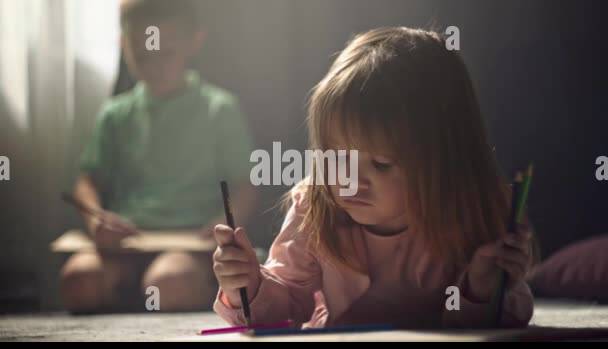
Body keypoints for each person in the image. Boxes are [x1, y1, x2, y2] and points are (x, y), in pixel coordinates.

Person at [212, 27, 534, 329]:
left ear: (444, 161)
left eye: (380, 164)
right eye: (337, 158)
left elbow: (503, 323)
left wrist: (483, 287)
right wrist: (249, 285)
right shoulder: (314, 204)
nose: (351, 180)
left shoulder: (472, 211)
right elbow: (289, 303)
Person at [61, 0, 256, 313]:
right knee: (78, 281)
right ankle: (130, 292)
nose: (154, 65)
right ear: (124, 46)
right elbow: (87, 181)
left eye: (165, 53)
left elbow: (244, 186)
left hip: (189, 244)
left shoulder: (218, 109)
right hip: (127, 243)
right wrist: (96, 219)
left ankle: (155, 293)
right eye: (143, 54)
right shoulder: (115, 114)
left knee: (167, 283)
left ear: (194, 41)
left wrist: (221, 224)